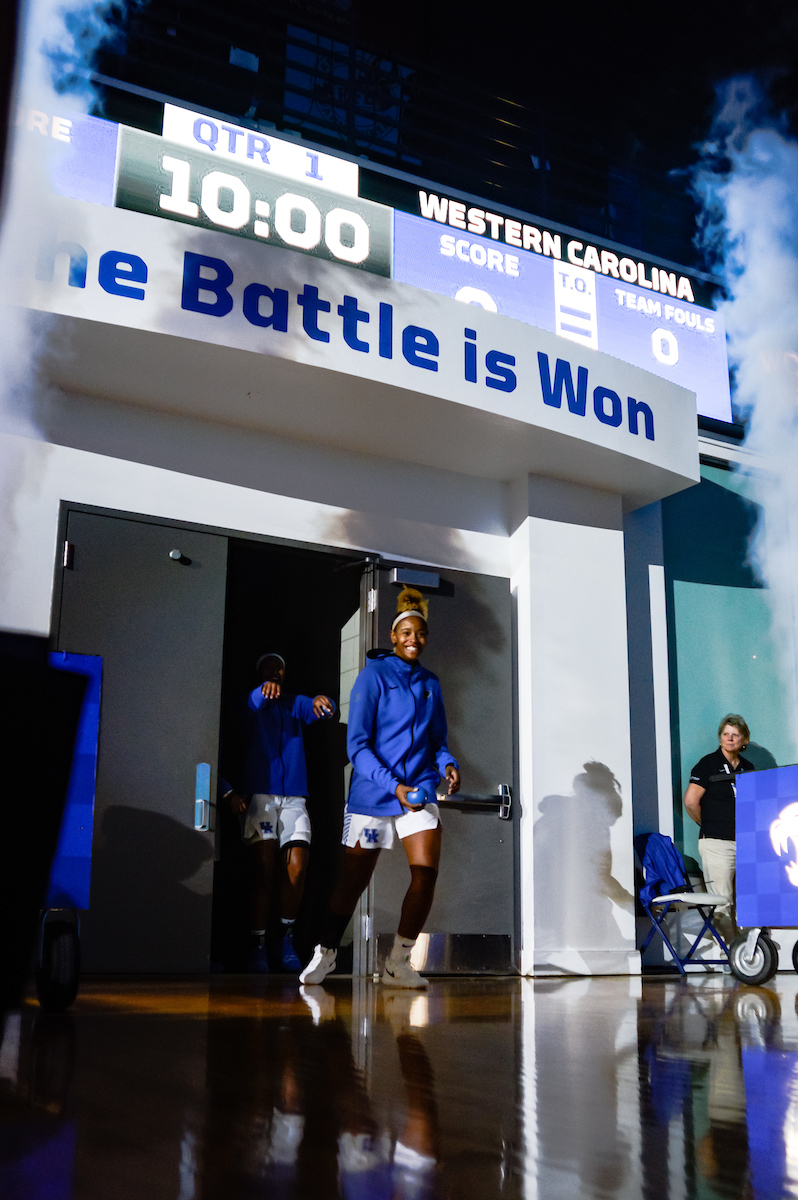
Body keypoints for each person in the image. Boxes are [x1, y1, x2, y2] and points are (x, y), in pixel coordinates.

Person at [300, 588, 460, 989]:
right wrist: (394, 785)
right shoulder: (373, 677)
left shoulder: (430, 683)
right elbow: (357, 745)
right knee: (352, 882)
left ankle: (399, 962)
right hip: (374, 795)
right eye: (405, 632)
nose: (413, 639)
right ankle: (326, 952)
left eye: (420, 634)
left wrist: (448, 764)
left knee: (425, 874)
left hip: (419, 789)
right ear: (393, 636)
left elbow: (437, 740)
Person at [224, 653, 335, 972]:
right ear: (259, 674)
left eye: (279, 669)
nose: (274, 673)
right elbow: (250, 706)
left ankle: (285, 939)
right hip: (261, 797)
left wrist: (324, 703)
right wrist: (262, 691)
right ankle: (257, 945)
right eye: (267, 670)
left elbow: (321, 710)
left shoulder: (293, 702)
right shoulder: (252, 701)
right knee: (263, 872)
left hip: (295, 798)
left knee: (297, 869)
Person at [683, 713, 754, 942]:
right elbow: (691, 801)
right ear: (720, 737)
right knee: (722, 901)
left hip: (745, 843)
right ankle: (732, 956)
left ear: (744, 740)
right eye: (726, 734)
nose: (730, 739)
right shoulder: (708, 764)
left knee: (748, 898)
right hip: (717, 843)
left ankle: (753, 951)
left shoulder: (748, 768)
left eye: (735, 735)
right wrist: (709, 824)